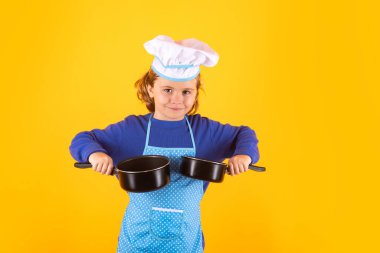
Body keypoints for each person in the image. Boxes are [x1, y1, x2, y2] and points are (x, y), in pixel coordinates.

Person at [69, 35, 260, 253]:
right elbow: (82, 139)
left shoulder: (204, 132)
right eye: (167, 90)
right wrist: (95, 155)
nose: (177, 100)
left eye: (186, 91)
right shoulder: (133, 130)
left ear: (196, 92)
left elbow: (244, 134)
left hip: (186, 243)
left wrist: (244, 155)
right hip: (137, 243)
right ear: (151, 88)